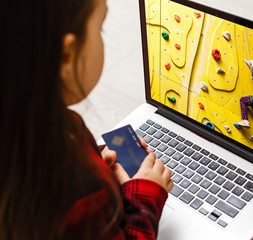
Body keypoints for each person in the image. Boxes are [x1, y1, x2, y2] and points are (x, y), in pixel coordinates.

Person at [0, 0, 172, 239]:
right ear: (66, 54)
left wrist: (97, 161)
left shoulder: (34, 124)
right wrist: (145, 197)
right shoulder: (81, 189)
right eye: (100, 28)